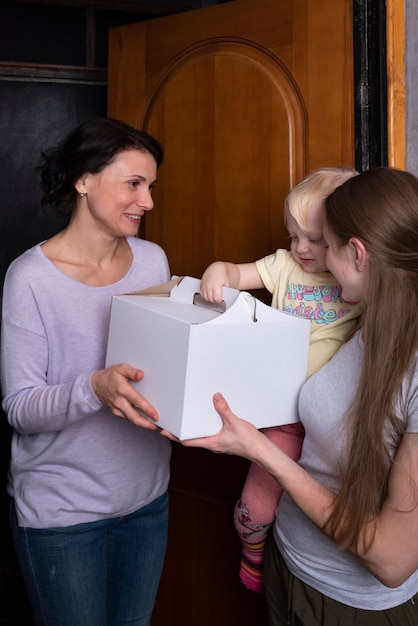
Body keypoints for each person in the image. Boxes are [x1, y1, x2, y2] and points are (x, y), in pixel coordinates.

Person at [162, 166, 418, 625]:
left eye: (324, 244)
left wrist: (258, 449)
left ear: (357, 253)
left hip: (347, 603)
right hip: (290, 560)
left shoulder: (386, 339)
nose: (309, 257)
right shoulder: (371, 320)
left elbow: (394, 561)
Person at [1, 117, 172, 626]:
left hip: (148, 501)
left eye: (151, 186)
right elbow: (20, 408)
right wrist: (94, 387)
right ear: (83, 179)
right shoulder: (30, 278)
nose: (148, 202)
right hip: (63, 517)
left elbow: (160, 368)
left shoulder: (153, 262)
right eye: (134, 184)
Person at [200, 167, 363, 592]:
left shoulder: (360, 283)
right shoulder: (286, 266)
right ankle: (251, 543)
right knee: (258, 507)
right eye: (294, 235)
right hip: (282, 413)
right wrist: (220, 271)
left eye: (315, 239)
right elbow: (238, 275)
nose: (301, 248)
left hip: (334, 420)